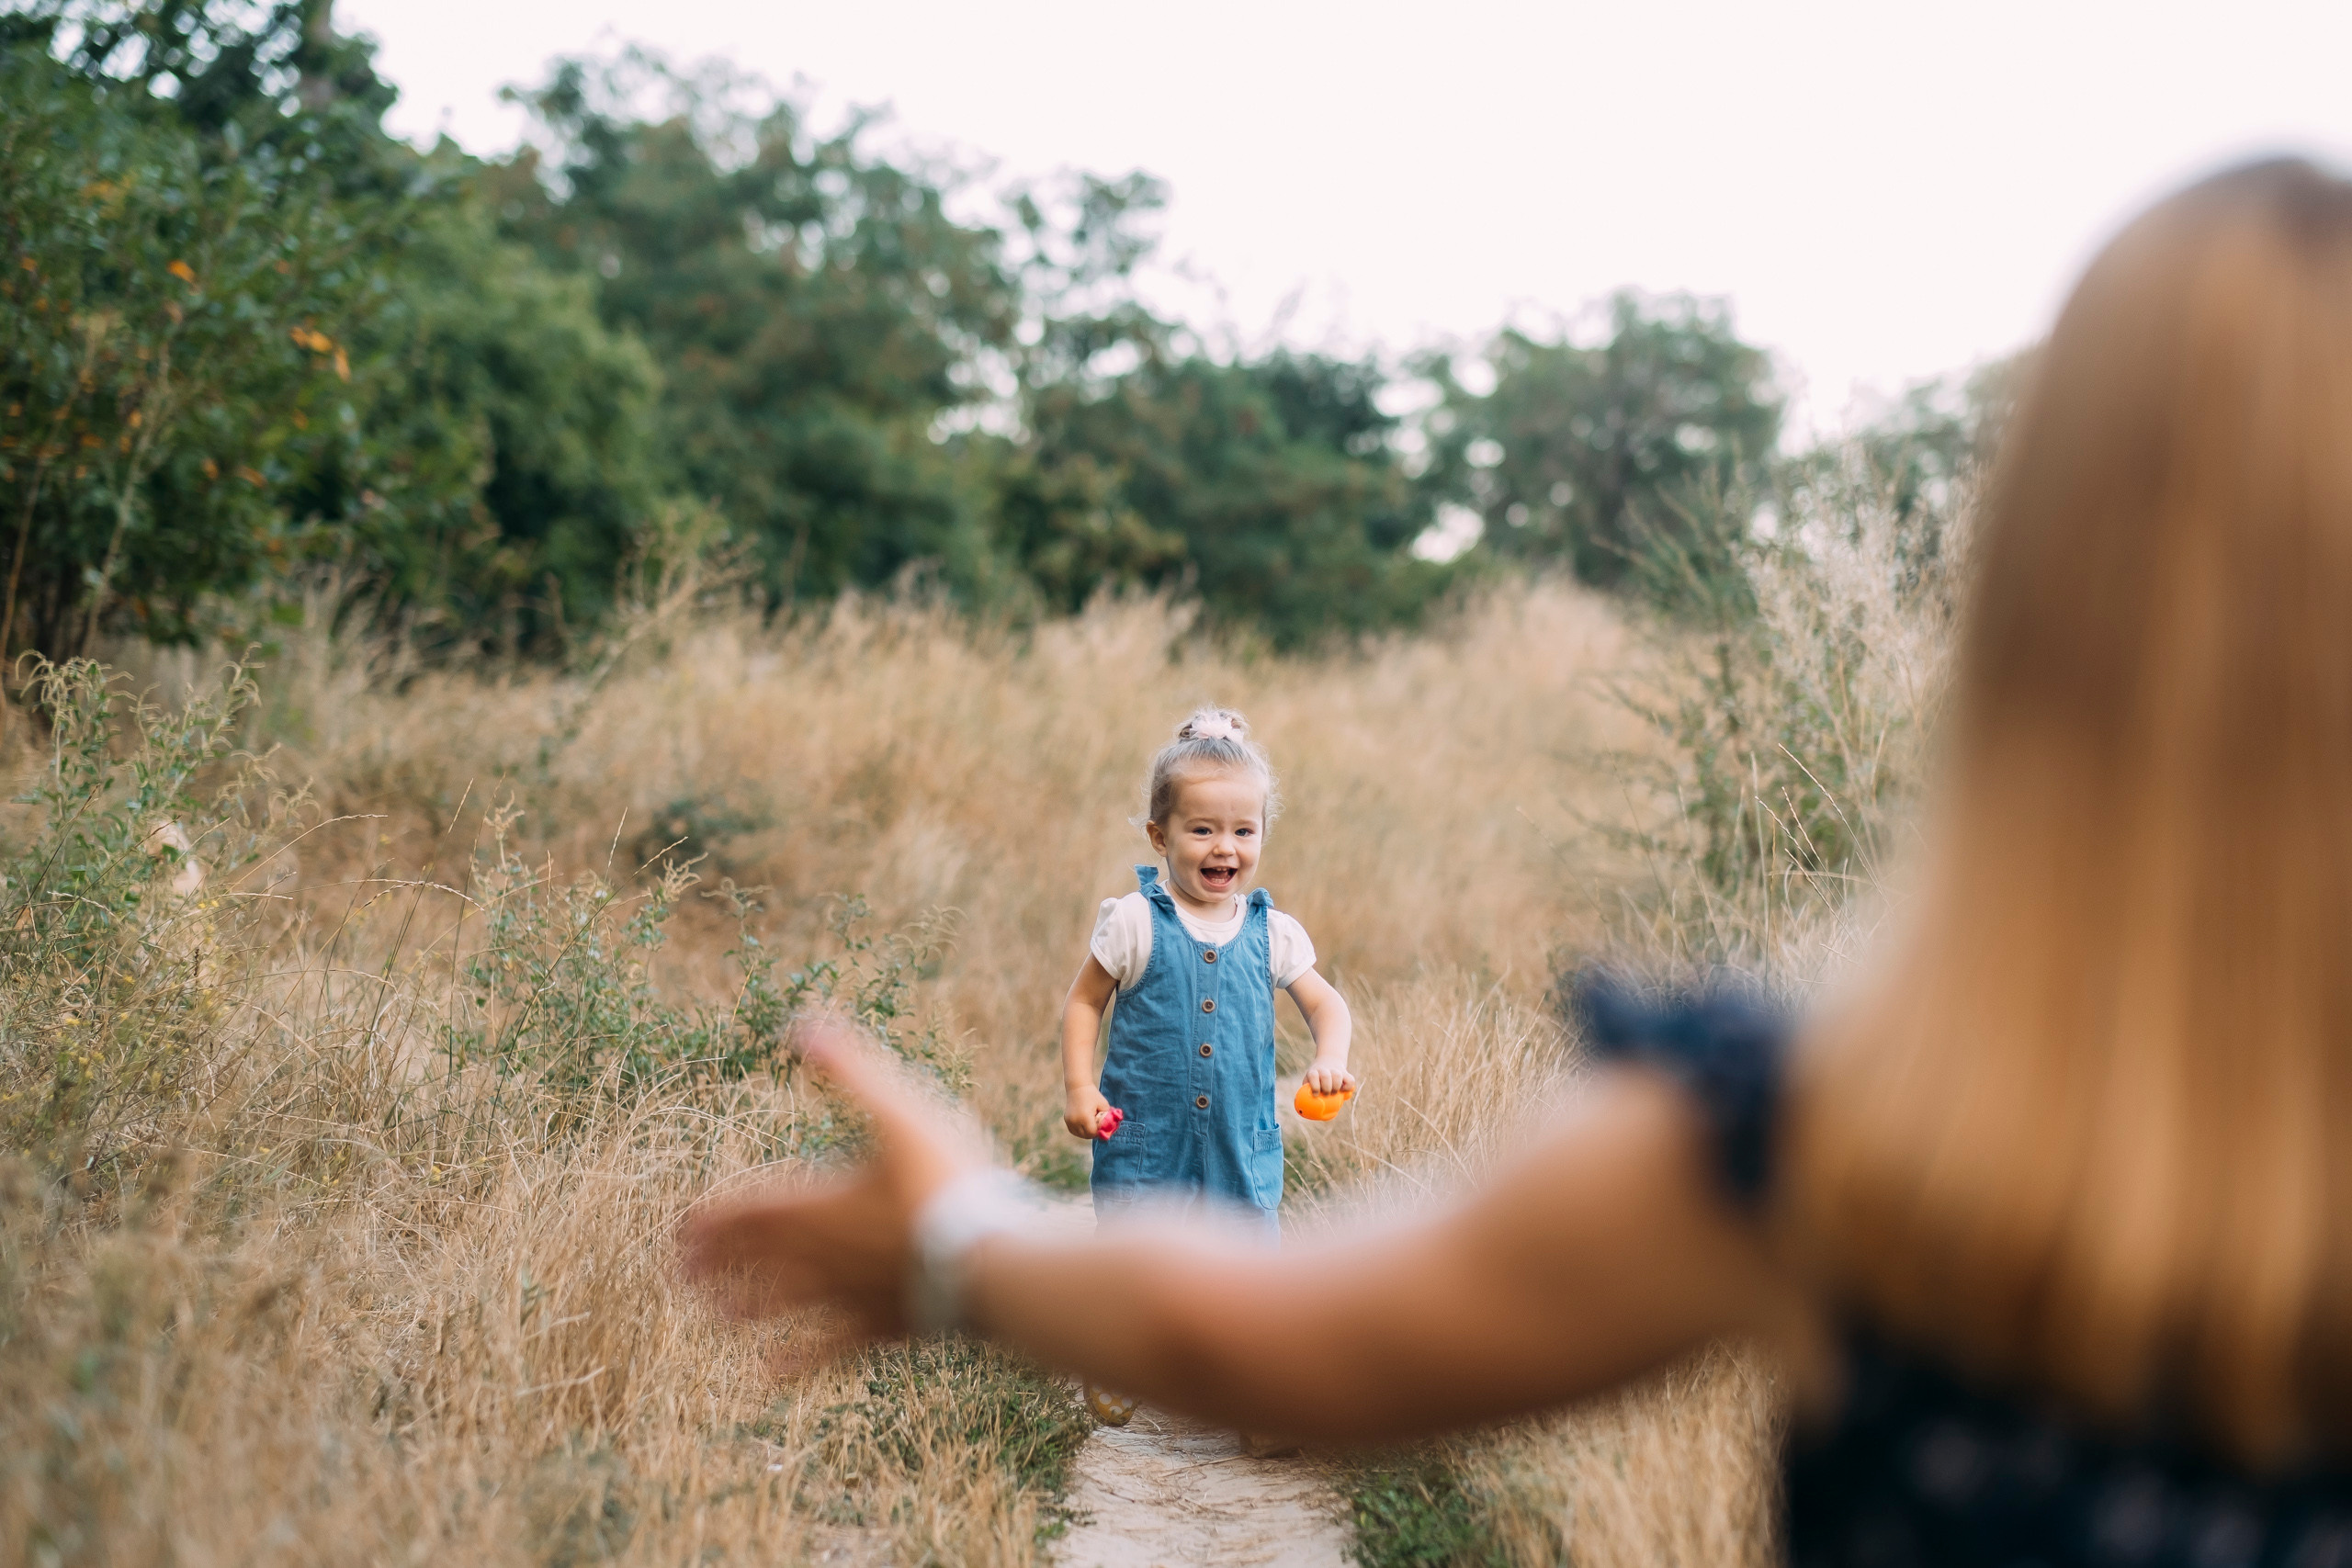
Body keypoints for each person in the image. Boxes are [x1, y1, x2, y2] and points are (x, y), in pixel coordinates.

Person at [682, 159, 2352, 1563]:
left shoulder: (1844, 1134)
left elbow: (1292, 1334)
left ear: (2026, 599)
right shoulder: (1829, 1121)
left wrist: (962, 1241)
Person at [1057, 707, 1354, 1427]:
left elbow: (1327, 1005)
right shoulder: (1133, 921)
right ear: (1161, 836)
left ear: (1261, 836)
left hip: (1238, 1141)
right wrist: (1079, 1085)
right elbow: (1084, 1004)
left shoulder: (1273, 933)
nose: (1225, 847)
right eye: (1203, 829)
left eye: (1243, 831)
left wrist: (1330, 1059)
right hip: (1143, 1136)